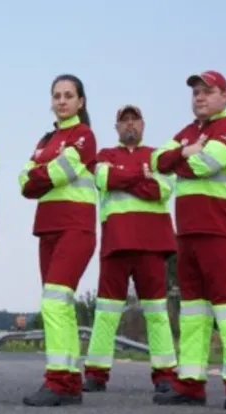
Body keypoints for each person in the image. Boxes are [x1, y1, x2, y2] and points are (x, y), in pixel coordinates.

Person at [150, 70, 226, 410]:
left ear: (225, 96)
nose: (199, 97)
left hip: (221, 231)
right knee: (193, 311)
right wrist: (186, 151)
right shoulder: (188, 132)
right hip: (189, 234)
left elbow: (205, 165)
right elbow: (156, 161)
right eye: (196, 91)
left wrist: (182, 155)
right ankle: (191, 383)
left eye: (208, 91)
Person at [81, 104, 178, 393]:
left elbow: (161, 189)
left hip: (152, 245)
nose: (130, 125)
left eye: (134, 120)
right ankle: (96, 374)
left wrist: (125, 177)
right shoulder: (104, 156)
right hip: (116, 244)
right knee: (106, 312)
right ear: (117, 128)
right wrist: (141, 175)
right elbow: (104, 179)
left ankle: (164, 375)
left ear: (143, 124)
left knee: (157, 312)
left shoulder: (158, 156)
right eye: (124, 121)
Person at [18, 74, 98, 407]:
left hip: (75, 228)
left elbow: (58, 173)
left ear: (80, 101)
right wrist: (42, 171)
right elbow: (24, 181)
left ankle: (56, 380)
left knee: (53, 301)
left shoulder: (84, 135)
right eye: (57, 95)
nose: (62, 100)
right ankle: (68, 382)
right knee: (60, 305)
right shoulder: (46, 139)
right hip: (47, 228)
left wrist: (41, 172)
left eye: (69, 95)